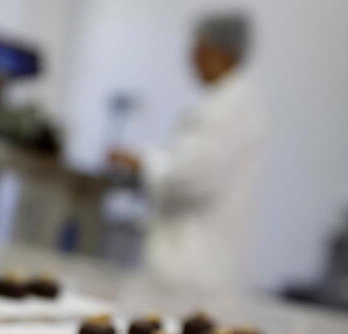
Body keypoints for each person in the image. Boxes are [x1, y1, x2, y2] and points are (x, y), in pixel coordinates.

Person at [109, 13, 267, 292]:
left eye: (199, 50)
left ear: (223, 53)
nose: (192, 59)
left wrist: (141, 160)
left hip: (193, 265)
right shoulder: (232, 104)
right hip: (197, 260)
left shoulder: (227, 110)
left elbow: (189, 178)